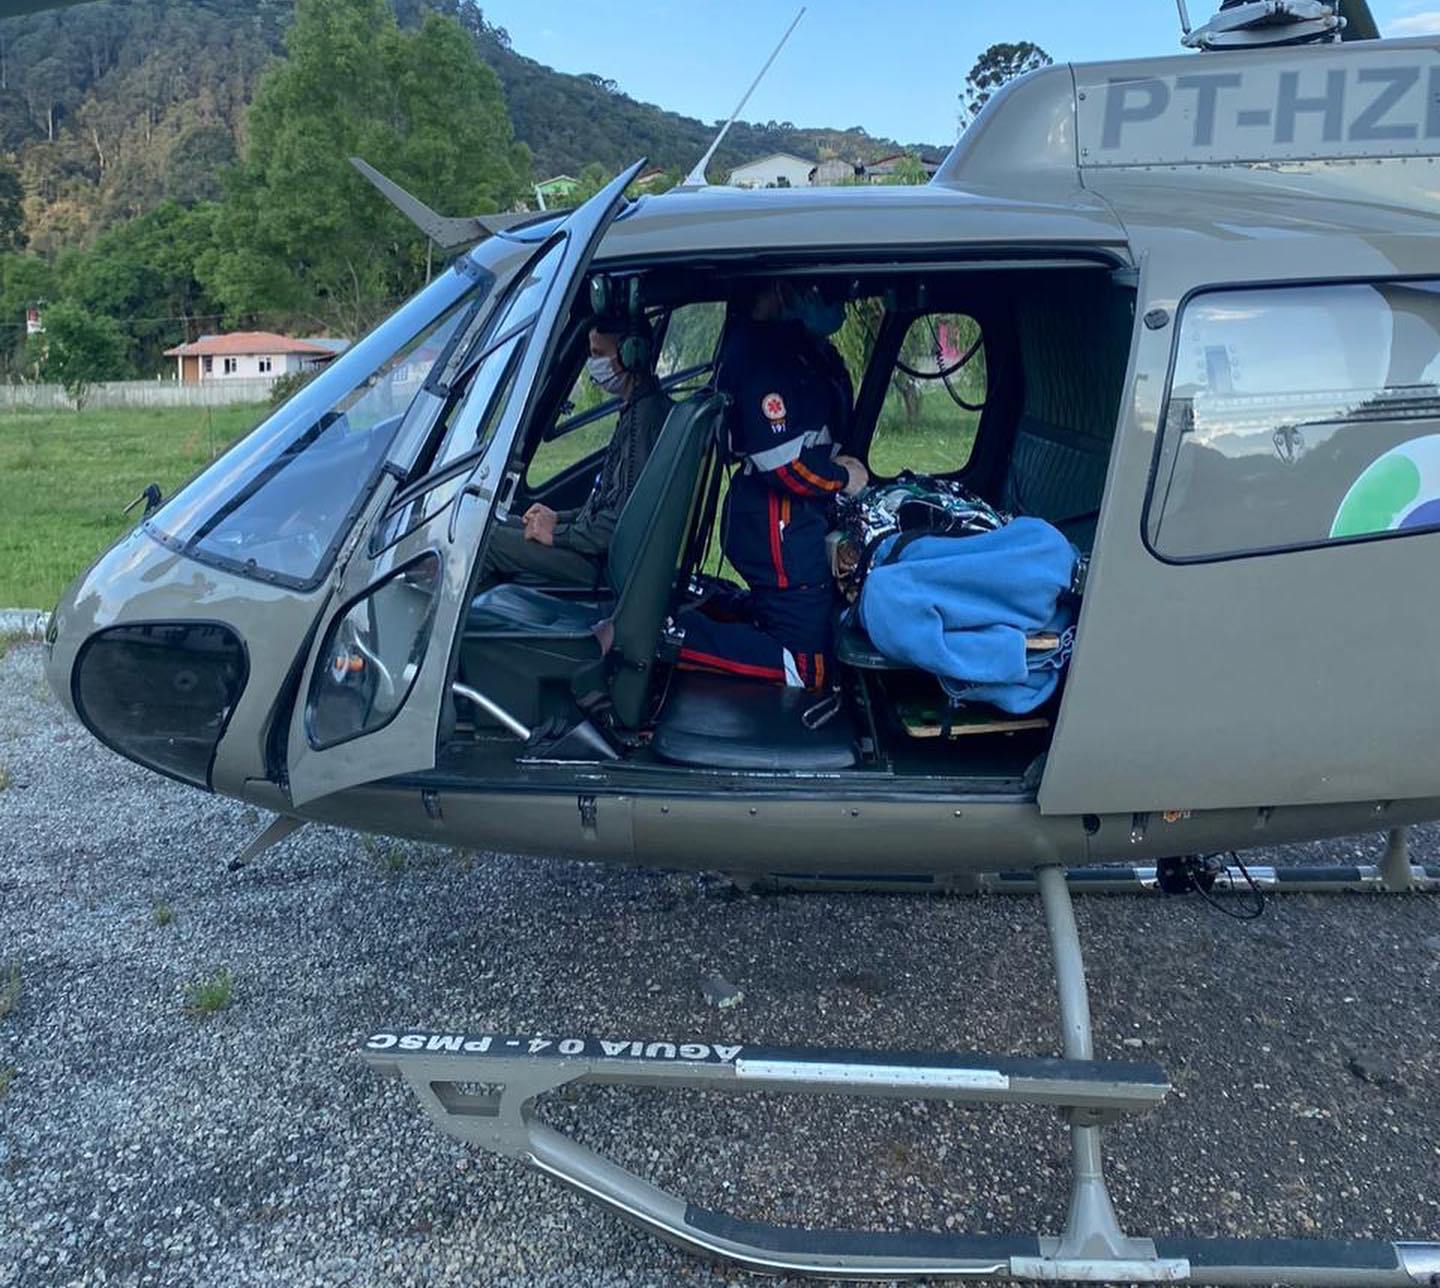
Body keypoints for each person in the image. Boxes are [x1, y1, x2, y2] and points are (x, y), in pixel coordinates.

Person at [678, 282, 868, 689]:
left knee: (790, 618)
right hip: (779, 528)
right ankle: (667, 637)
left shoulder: (791, 346)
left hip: (792, 525)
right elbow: (782, 464)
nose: (837, 302)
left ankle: (704, 609)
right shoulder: (761, 356)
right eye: (821, 289)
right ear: (783, 289)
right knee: (807, 668)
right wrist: (842, 478)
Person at [479, 319, 670, 586]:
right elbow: (609, 506)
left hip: (605, 566)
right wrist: (556, 518)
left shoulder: (645, 421)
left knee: (486, 544)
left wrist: (557, 534)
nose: (593, 364)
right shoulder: (638, 411)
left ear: (631, 354)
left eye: (598, 354)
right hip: (600, 554)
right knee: (498, 525)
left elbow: (618, 526)